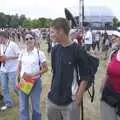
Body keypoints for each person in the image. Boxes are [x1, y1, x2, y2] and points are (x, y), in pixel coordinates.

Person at [46, 18, 97, 120]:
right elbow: (55, 72)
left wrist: (78, 98)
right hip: (53, 99)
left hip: (70, 102)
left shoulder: (78, 50)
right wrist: (51, 90)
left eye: (52, 32)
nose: (50, 35)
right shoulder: (55, 49)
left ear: (60, 30)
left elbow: (85, 76)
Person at [17, 33, 48, 120]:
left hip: (35, 81)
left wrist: (33, 74)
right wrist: (18, 80)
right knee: (23, 106)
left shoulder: (39, 53)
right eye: (26, 39)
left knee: (35, 106)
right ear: (24, 41)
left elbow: (46, 68)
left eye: (31, 38)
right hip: (24, 81)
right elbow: (19, 67)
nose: (29, 40)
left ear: (34, 40)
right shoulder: (22, 53)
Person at [100, 31, 120, 120]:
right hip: (109, 94)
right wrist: (102, 88)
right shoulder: (113, 53)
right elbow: (107, 72)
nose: (113, 39)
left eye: (116, 37)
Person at [0, 31, 20, 110]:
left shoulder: (13, 44)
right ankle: (8, 103)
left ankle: (23, 98)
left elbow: (19, 55)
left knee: (14, 86)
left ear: (2, 36)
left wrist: (8, 58)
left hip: (12, 69)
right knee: (4, 87)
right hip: (3, 69)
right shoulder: (1, 45)